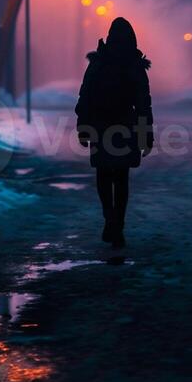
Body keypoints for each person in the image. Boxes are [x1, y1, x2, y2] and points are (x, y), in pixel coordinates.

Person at [75, 17, 154, 247]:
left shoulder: (99, 62)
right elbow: (143, 104)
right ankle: (118, 224)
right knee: (121, 178)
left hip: (100, 126)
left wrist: (83, 128)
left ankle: (109, 217)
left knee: (102, 174)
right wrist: (146, 135)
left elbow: (85, 96)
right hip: (126, 127)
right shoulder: (135, 65)